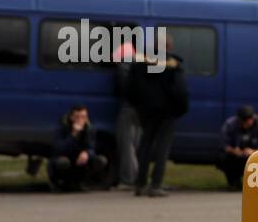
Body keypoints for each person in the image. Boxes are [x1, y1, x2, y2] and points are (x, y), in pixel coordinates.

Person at [126, 37, 189, 197]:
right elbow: (180, 90)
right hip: (167, 112)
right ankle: (156, 185)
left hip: (146, 111)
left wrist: (139, 106)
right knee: (162, 148)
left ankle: (140, 184)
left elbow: (129, 88)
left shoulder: (139, 62)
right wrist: (181, 109)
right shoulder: (173, 64)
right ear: (168, 47)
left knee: (145, 145)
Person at [49, 105, 109, 191]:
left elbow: (91, 147)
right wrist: (73, 134)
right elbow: (59, 149)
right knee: (62, 162)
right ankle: (61, 183)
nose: (81, 120)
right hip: (65, 158)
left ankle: (84, 182)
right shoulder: (62, 127)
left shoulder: (89, 128)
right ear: (71, 117)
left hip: (80, 160)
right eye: (77, 117)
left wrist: (87, 153)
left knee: (101, 160)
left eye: (84, 117)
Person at [216, 105, 258, 190]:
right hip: (236, 156)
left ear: (253, 118)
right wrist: (233, 150)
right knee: (222, 158)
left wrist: (253, 151)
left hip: (254, 156)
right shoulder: (230, 124)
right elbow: (223, 143)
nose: (245, 124)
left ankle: (255, 186)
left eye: (247, 120)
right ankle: (234, 182)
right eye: (242, 121)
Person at [111, 41, 141, 189]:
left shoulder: (123, 67)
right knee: (135, 144)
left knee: (126, 144)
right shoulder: (141, 65)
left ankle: (129, 180)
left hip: (128, 108)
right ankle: (138, 177)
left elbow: (120, 89)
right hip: (142, 110)